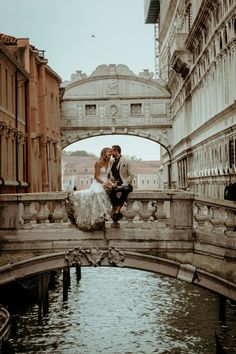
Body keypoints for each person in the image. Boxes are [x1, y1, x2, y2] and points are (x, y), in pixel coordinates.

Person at [69, 147, 113, 231]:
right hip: (98, 182)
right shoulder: (98, 163)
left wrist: (110, 182)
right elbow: (96, 177)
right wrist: (104, 183)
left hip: (106, 182)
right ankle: (96, 219)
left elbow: (109, 176)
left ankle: (102, 218)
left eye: (111, 152)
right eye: (109, 152)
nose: (110, 154)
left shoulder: (110, 163)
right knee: (97, 193)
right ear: (104, 153)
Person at [109, 145, 134, 222]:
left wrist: (123, 184)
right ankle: (117, 211)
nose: (110, 153)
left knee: (125, 190)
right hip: (116, 184)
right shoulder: (111, 162)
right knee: (111, 192)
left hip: (126, 184)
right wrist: (114, 182)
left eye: (112, 151)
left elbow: (132, 175)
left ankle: (117, 211)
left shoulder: (127, 160)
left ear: (117, 151)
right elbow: (110, 174)